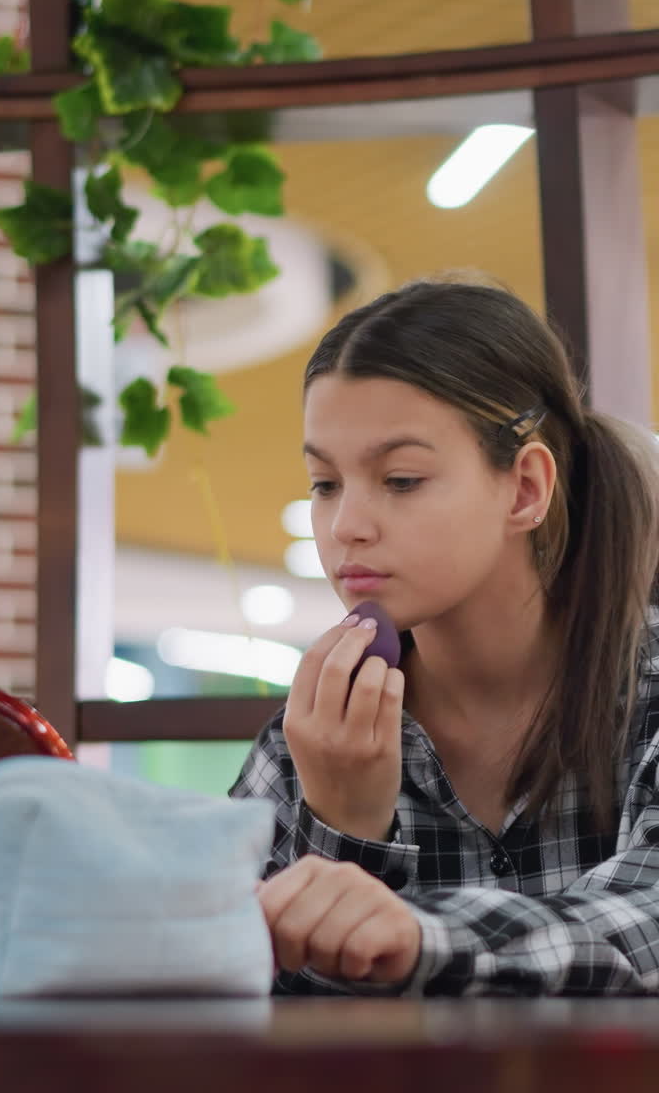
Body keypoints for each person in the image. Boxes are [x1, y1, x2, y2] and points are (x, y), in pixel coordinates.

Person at [230, 276, 659, 997]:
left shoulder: (646, 692)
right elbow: (238, 990)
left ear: (525, 487)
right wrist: (343, 827)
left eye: (400, 479)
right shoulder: (306, 741)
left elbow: (645, 926)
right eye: (324, 483)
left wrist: (416, 935)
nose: (345, 526)